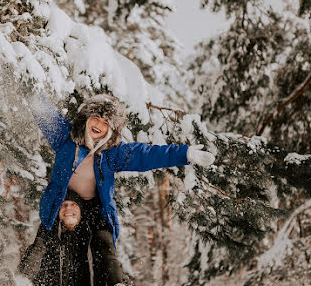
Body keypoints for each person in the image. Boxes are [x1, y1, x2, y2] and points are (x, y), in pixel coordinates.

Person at [28, 93, 214, 285]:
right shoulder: (65, 139)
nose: (99, 124)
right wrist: (31, 88)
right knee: (47, 240)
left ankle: (116, 282)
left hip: (94, 208)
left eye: (105, 122)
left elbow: (146, 155)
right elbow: (44, 112)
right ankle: (25, 279)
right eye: (96, 118)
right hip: (63, 201)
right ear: (86, 120)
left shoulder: (113, 154)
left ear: (110, 130)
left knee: (103, 241)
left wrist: (185, 154)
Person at [16, 190, 94, 286]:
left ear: (81, 212)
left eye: (74, 204)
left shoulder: (90, 233)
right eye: (63, 205)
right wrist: (24, 277)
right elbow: (37, 250)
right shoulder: (49, 230)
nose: (68, 207)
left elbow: (107, 255)